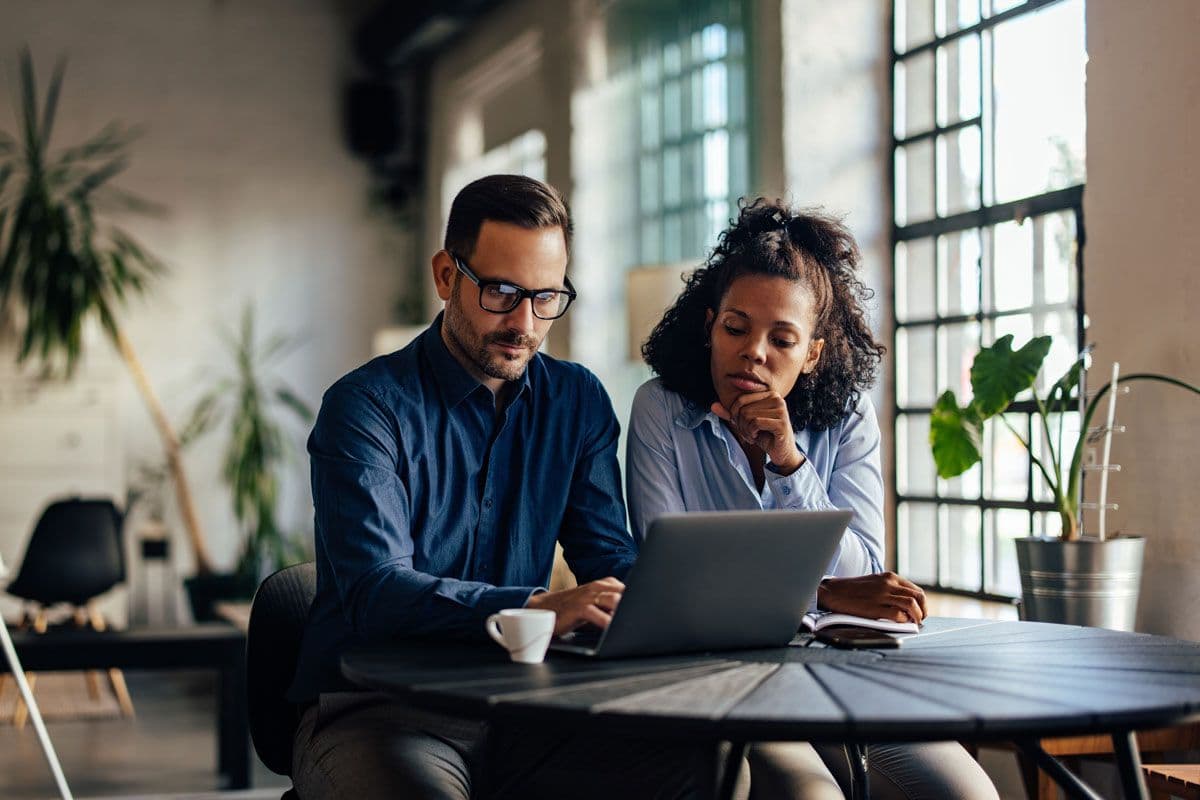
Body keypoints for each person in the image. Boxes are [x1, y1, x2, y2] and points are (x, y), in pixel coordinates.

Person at [287, 174, 711, 800]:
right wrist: (536, 607)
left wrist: (685, 600)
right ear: (445, 276)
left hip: (526, 704)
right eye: (501, 292)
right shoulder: (364, 408)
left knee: (702, 772)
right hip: (375, 710)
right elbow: (377, 593)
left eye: (546, 298)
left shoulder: (577, 401)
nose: (524, 323)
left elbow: (609, 558)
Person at [627, 199, 1000, 800]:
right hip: (723, 677)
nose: (755, 352)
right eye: (736, 328)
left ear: (814, 353)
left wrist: (789, 463)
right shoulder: (661, 412)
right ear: (708, 326)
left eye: (783, 338)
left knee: (969, 795)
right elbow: (674, 583)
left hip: (843, 669)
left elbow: (865, 569)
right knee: (812, 795)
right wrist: (822, 594)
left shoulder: (847, 419)